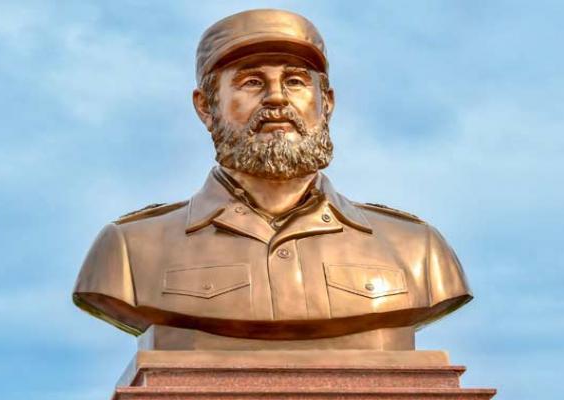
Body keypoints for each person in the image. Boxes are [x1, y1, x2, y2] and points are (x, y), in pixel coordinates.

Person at [72, 9, 471, 351]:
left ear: (326, 103)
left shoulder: (418, 251)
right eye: (251, 82)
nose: (276, 98)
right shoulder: (129, 251)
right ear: (205, 107)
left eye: (296, 81)